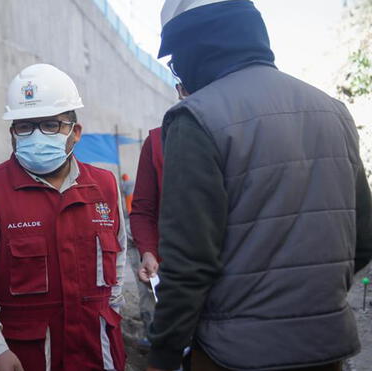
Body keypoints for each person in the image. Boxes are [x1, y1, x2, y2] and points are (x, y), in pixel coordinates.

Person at [147, 1, 372, 371]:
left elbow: (189, 264)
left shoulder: (196, 117)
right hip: (327, 348)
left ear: (194, 49)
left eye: (175, 62)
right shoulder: (334, 112)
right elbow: (361, 241)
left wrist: (162, 355)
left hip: (233, 355)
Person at [0, 63, 127, 371]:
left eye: (50, 125)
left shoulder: (105, 186)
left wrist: (112, 313)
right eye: (25, 126)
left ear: (75, 132)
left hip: (96, 351)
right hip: (20, 357)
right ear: (12, 133)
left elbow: (118, 262)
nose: (36, 136)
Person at [128, 128, 164, 349]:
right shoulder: (158, 142)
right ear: (180, 91)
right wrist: (148, 251)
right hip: (163, 265)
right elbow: (142, 210)